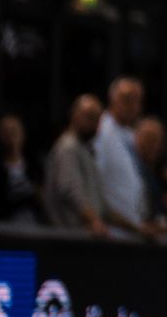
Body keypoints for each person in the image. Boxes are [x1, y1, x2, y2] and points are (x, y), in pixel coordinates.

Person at [95, 77, 154, 240]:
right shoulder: (101, 132)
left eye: (137, 101)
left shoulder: (130, 135)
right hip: (111, 233)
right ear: (113, 100)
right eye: (127, 100)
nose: (133, 107)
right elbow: (96, 186)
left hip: (133, 232)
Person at [43, 96, 109, 236]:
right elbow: (71, 190)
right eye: (90, 117)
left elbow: (102, 206)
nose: (95, 124)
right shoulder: (68, 147)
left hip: (84, 237)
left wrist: (136, 228)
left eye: (98, 120)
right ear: (74, 115)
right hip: (70, 238)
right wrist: (94, 222)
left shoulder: (85, 150)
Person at [0, 113, 42, 224]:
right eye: (6, 132)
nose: (11, 136)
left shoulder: (35, 167)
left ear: (22, 134)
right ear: (0, 136)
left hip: (34, 228)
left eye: (14, 131)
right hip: (6, 231)